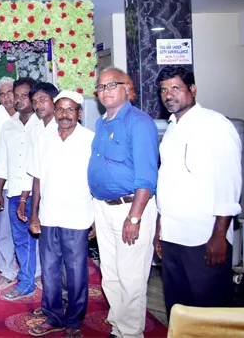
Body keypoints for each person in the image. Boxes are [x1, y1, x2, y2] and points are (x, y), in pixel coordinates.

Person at [155, 66, 242, 318]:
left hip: (203, 238)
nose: (169, 95)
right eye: (164, 90)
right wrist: (160, 228)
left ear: (192, 89)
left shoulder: (215, 125)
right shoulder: (172, 129)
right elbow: (167, 181)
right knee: (178, 309)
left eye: (176, 88)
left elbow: (229, 183)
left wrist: (219, 235)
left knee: (209, 312)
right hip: (173, 236)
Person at [88, 67, 159, 338]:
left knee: (131, 277)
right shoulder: (101, 123)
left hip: (130, 208)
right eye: (101, 86)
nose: (105, 91)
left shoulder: (139, 122)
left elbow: (146, 177)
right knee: (111, 274)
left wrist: (134, 217)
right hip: (104, 208)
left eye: (112, 85)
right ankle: (119, 328)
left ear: (127, 88)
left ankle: (131, 333)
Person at [27, 91, 96, 338]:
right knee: (50, 271)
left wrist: (96, 217)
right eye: (60, 109)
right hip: (49, 215)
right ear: (54, 112)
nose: (65, 114)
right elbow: (37, 178)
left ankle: (74, 321)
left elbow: (97, 180)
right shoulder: (43, 139)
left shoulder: (90, 139)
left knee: (77, 273)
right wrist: (34, 214)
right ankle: (53, 316)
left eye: (70, 109)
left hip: (78, 216)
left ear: (79, 113)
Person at [0, 77, 40, 297]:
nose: (19, 99)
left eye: (24, 95)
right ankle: (27, 281)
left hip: (37, 194)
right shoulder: (8, 126)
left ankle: (36, 278)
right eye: (16, 95)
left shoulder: (42, 125)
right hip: (13, 192)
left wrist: (26, 197)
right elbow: (2, 161)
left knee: (40, 240)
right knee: (21, 239)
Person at [14, 82, 59, 303]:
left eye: (43, 100)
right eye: (35, 101)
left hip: (64, 202)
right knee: (49, 256)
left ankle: (64, 308)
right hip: (43, 201)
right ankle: (51, 304)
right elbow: (33, 171)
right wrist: (25, 200)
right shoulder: (38, 131)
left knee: (64, 258)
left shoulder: (65, 128)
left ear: (54, 101)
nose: (38, 105)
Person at [0, 77, 26, 289]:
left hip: (28, 182)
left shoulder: (28, 114)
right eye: (2, 94)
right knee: (4, 230)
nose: (8, 97)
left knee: (31, 229)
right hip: (4, 182)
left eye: (11, 92)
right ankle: (7, 271)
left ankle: (34, 272)